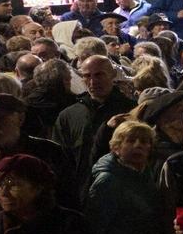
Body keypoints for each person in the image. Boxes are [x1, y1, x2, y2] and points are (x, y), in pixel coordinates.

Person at [53, 56, 136, 185]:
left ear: (113, 75)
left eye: (99, 75)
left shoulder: (131, 110)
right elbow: (61, 158)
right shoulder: (70, 115)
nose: (93, 82)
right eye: (87, 76)